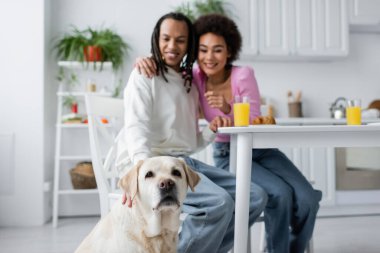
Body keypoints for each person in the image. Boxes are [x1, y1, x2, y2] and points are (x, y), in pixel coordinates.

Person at [135, 13, 322, 253]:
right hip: (228, 151)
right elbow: (169, 61)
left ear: (229, 52)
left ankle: (292, 248)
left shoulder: (243, 75)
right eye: (202, 50)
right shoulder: (194, 77)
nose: (209, 57)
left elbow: (254, 119)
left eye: (217, 50)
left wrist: (228, 108)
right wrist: (145, 59)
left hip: (262, 150)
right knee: (280, 194)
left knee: (307, 197)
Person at [115, 12, 267, 253]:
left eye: (180, 40)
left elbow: (187, 142)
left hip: (183, 162)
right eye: (165, 39)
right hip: (153, 163)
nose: (172, 46)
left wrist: (210, 132)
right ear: (156, 39)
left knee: (255, 196)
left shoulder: (189, 84)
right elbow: (136, 126)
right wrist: (139, 172)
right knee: (218, 202)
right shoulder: (145, 74)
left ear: (189, 45)